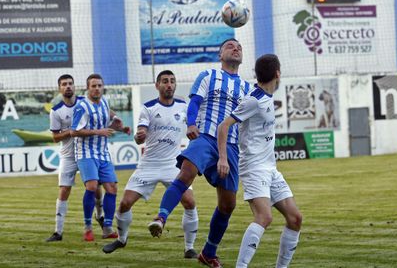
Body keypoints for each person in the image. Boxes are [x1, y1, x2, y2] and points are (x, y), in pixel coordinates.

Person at [148, 38, 251, 268]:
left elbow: (246, 123)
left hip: (232, 146)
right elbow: (194, 103)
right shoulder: (208, 76)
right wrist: (191, 123)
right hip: (206, 137)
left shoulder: (247, 87)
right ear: (219, 54)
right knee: (186, 172)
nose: (236, 48)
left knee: (228, 205)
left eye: (239, 47)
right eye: (230, 46)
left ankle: (208, 252)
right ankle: (161, 217)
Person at [217, 54, 302, 268]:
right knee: (264, 217)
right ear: (278, 74)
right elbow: (223, 126)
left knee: (295, 218)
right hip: (254, 168)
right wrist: (223, 158)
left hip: (270, 169)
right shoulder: (253, 100)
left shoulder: (266, 96)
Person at [102, 70, 199, 259]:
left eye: (172, 81)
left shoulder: (183, 106)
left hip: (173, 165)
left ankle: (189, 248)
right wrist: (139, 136)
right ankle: (121, 239)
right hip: (149, 165)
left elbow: (194, 126)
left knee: (189, 202)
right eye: (164, 81)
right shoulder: (148, 108)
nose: (169, 84)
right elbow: (140, 136)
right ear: (157, 86)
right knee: (124, 203)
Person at [71, 73, 131, 241]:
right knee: (91, 187)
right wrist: (98, 132)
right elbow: (74, 131)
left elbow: (108, 115)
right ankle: (88, 227)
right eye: (94, 86)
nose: (97, 89)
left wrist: (121, 127)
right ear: (88, 88)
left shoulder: (104, 102)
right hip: (86, 153)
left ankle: (107, 228)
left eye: (99, 86)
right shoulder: (82, 107)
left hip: (103, 153)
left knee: (112, 188)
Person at [45, 74, 105, 242]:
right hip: (68, 156)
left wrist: (116, 120)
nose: (68, 86)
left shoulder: (85, 102)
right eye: (64, 84)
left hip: (87, 152)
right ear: (59, 88)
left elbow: (104, 110)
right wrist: (70, 132)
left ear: (75, 86)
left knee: (96, 186)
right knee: (64, 190)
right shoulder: (56, 111)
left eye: (70, 83)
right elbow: (55, 137)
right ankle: (58, 231)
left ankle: (99, 216)